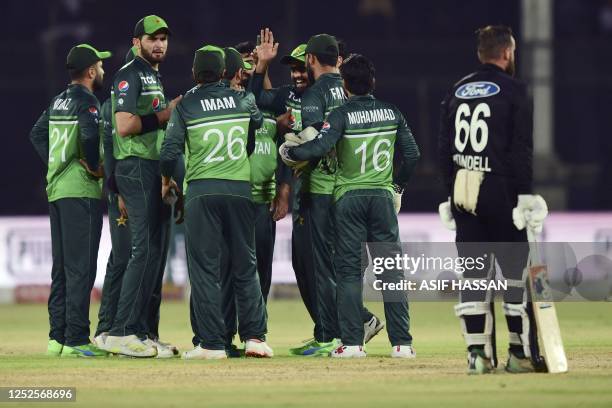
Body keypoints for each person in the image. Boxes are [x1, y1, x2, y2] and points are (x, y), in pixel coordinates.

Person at [280, 54, 420, 358]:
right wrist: (397, 186)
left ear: (345, 85)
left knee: (347, 273)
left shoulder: (341, 115)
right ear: (372, 82)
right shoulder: (392, 112)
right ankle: (402, 344)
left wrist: (290, 152)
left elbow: (318, 147)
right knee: (391, 271)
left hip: (349, 200)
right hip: (382, 198)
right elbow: (412, 155)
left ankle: (354, 344)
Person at [437, 25, 548, 374]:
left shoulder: (456, 90)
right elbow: (520, 151)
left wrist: (449, 192)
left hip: (463, 192)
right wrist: (525, 195)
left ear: (480, 53)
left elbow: (444, 150)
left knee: (473, 277)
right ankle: (519, 355)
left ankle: (478, 356)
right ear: (507, 53)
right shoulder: (516, 91)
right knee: (514, 275)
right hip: (502, 191)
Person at [160, 45, 272, 359]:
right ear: (223, 72)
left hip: (202, 191)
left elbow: (169, 153)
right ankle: (255, 338)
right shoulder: (243, 99)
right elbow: (255, 128)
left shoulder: (186, 105)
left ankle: (211, 344)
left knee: (205, 270)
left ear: (195, 73)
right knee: (246, 265)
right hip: (239, 190)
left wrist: (168, 180)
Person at [285, 34, 384, 356]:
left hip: (322, 189)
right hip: (355, 187)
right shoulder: (349, 90)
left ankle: (331, 335)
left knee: (324, 269)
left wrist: (295, 152)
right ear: (338, 59)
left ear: (311, 60)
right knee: (344, 266)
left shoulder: (315, 93)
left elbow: (316, 139)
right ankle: (345, 330)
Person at [101, 15, 182, 358]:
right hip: (135, 167)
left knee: (154, 255)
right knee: (142, 250)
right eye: (152, 39)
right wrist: (167, 113)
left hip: (152, 167)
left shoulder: (152, 76)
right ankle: (120, 331)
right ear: (137, 42)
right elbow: (124, 126)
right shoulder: (128, 75)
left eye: (163, 38)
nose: (159, 44)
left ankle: (142, 332)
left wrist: (166, 171)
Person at [29, 43, 111, 357]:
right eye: (100, 66)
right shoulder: (87, 102)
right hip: (80, 191)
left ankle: (57, 339)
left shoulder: (58, 100)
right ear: (91, 71)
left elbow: (37, 134)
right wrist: (92, 164)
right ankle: (76, 338)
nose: (103, 70)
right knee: (81, 269)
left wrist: (56, 162)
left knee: (62, 268)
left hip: (57, 190)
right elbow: (90, 137)